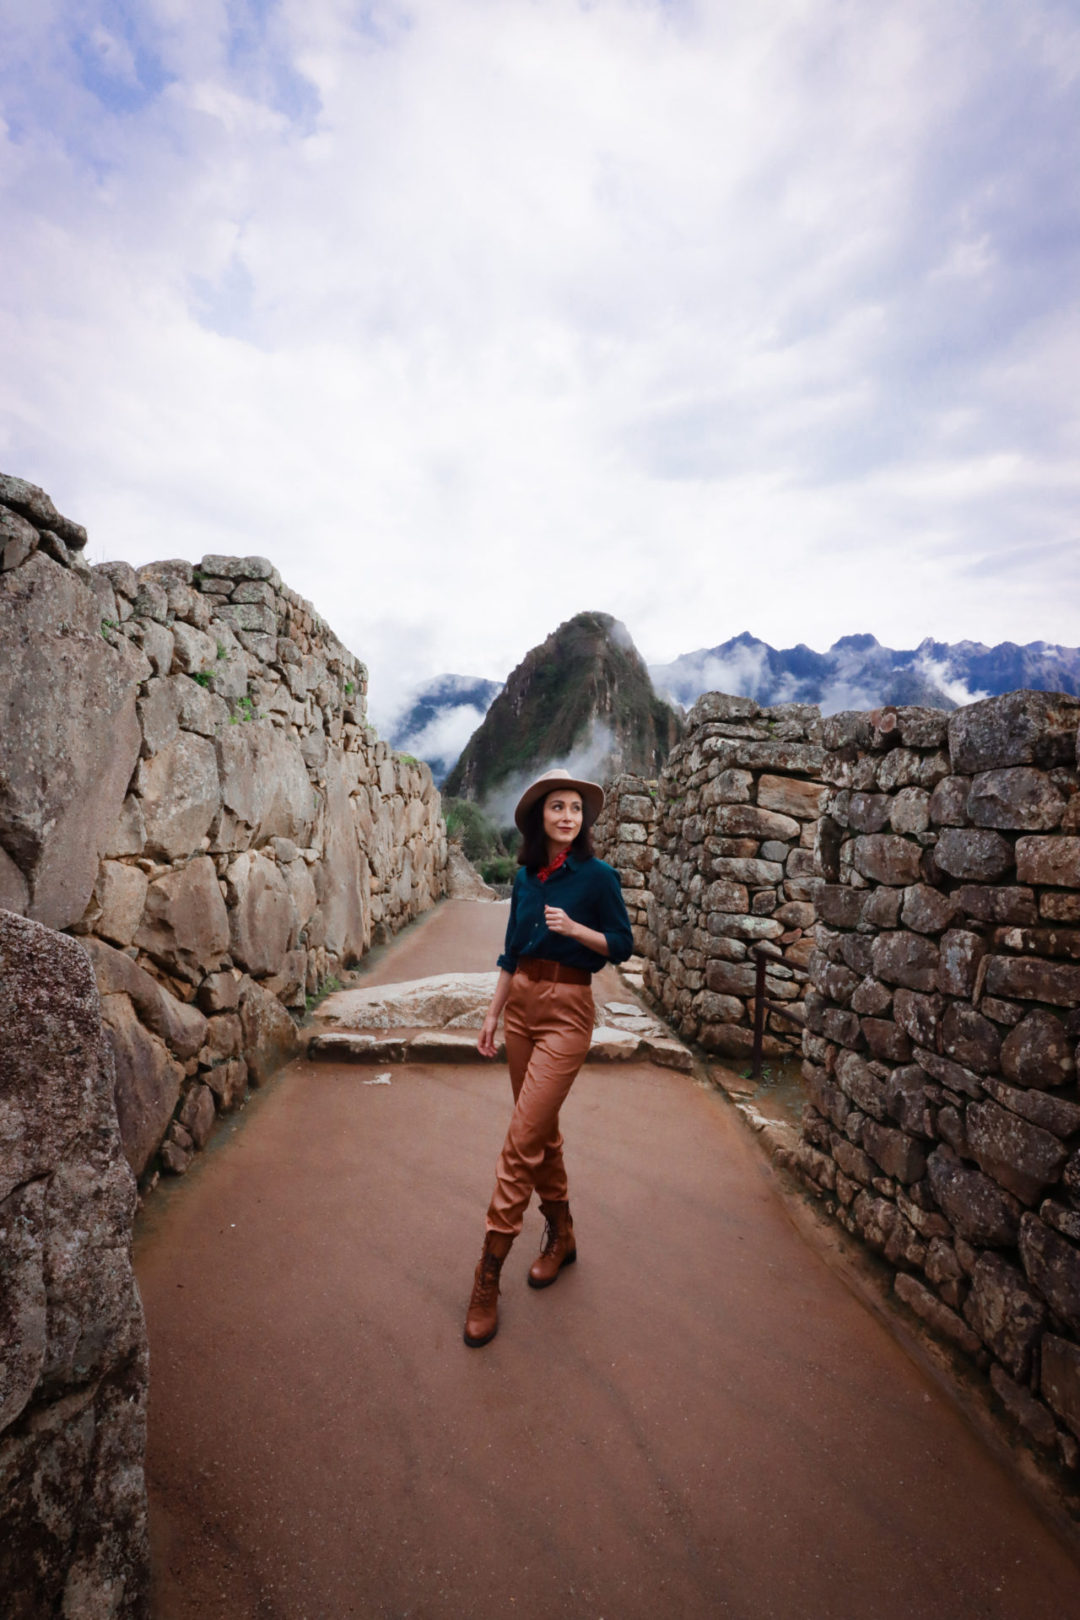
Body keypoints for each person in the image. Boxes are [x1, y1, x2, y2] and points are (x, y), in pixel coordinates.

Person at [463, 768, 634, 1348]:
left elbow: (622, 946)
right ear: (540, 816)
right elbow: (511, 953)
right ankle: (561, 1233)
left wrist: (577, 929)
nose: (567, 816)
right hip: (521, 1010)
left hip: (568, 1010)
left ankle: (488, 1271)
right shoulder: (525, 879)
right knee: (542, 1134)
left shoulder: (598, 877)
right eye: (557, 807)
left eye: (575, 809)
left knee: (520, 1139)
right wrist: (492, 1014)